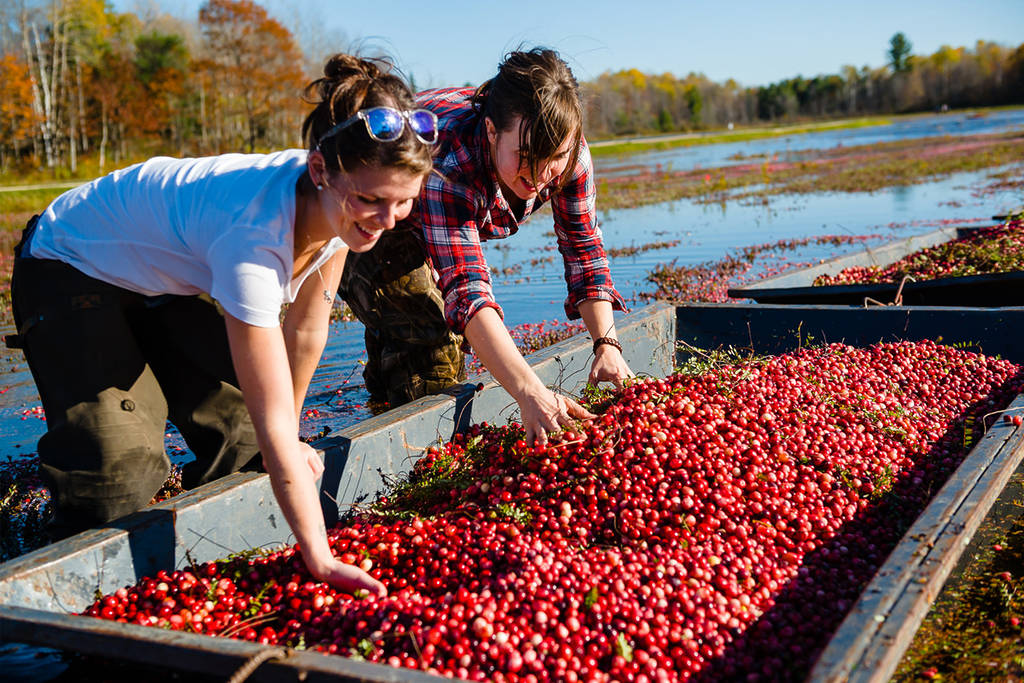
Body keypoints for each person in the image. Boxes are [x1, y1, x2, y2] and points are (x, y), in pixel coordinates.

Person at [9, 54, 437, 596]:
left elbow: (306, 331)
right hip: (68, 261)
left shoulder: (342, 201)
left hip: (161, 279)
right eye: (372, 201)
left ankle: (209, 560)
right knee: (118, 469)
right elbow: (274, 415)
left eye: (404, 201)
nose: (386, 220)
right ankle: (70, 588)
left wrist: (290, 437)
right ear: (319, 171)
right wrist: (319, 555)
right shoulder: (253, 238)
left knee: (244, 437)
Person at [339, 48, 633, 443]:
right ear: (492, 131)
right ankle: (414, 444)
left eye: (555, 157)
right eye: (526, 156)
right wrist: (530, 392)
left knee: (408, 332)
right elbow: (468, 290)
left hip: (425, 213)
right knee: (433, 343)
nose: (541, 175)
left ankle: (381, 396)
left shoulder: (570, 155)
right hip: (364, 216)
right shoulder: (450, 162)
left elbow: (584, 249)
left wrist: (607, 344)